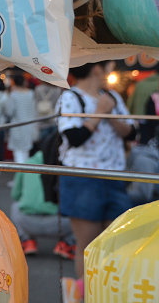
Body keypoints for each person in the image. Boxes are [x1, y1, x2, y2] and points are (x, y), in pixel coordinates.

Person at [56, 61, 136, 298]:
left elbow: (132, 132)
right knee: (87, 245)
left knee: (116, 243)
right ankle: (87, 293)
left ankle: (106, 292)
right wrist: (100, 112)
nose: (109, 70)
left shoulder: (111, 97)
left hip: (114, 177)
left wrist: (109, 115)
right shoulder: (70, 97)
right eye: (107, 66)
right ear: (97, 69)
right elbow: (74, 137)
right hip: (82, 179)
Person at [10, 149, 75, 260]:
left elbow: (15, 194)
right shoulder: (67, 164)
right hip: (61, 223)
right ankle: (67, 244)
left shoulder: (27, 163)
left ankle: (27, 240)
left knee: (16, 206)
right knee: (80, 210)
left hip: (27, 222)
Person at [4, 73, 38, 163]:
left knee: (18, 153)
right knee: (26, 152)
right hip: (30, 126)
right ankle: (24, 174)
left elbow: (9, 111)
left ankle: (20, 174)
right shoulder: (31, 93)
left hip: (17, 126)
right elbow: (35, 110)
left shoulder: (13, 95)